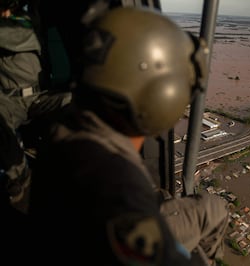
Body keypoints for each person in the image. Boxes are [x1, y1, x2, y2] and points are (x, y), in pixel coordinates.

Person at [28, 6, 229, 266]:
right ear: (162, 97)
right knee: (213, 209)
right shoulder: (120, 188)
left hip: (65, 233)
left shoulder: (68, 121)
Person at [0, 0, 71, 209]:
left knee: (73, 101)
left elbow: (21, 36)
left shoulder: (29, 21)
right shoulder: (13, 28)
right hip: (8, 100)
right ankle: (20, 179)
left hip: (38, 97)